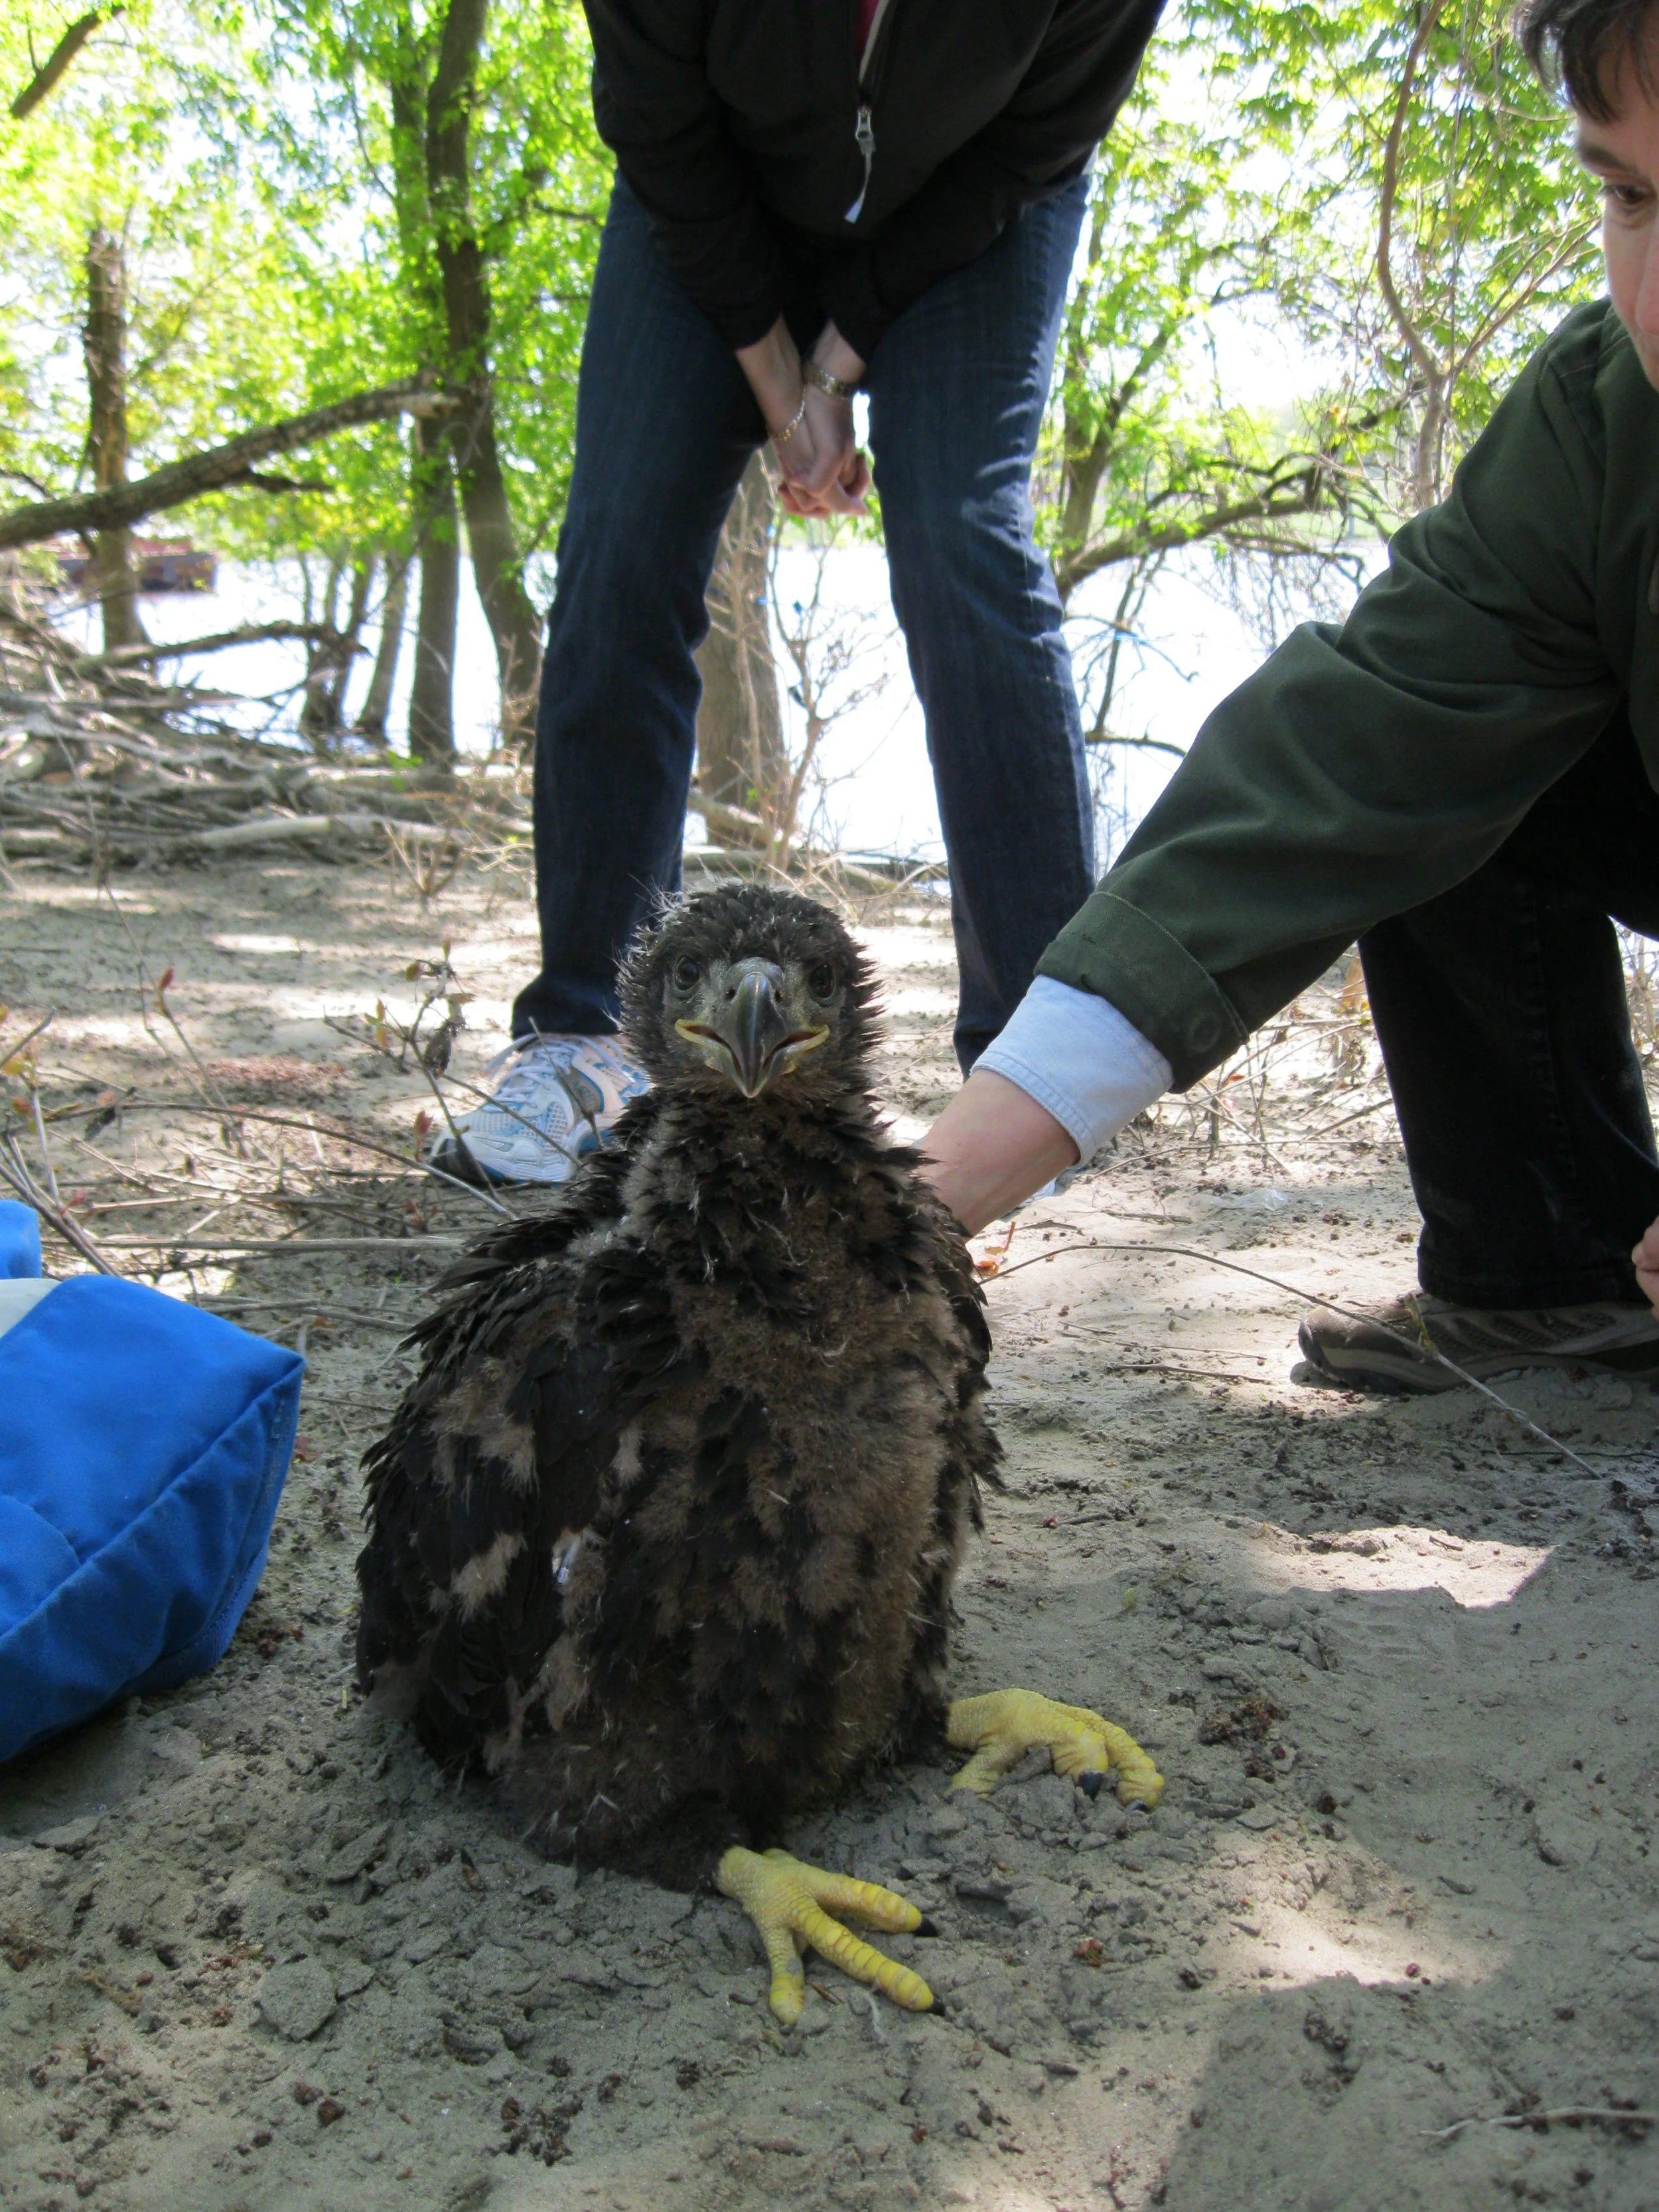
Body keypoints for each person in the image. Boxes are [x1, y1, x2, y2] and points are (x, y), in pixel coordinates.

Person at [917, 0, 1659, 1395]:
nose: (1654, 305)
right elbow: (1347, 747)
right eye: (1626, 194)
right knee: (1427, 750)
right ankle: (1547, 1268)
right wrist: (910, 1201)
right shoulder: (1604, 415)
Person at [434, 0, 1165, 1186]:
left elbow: (1038, 140)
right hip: (714, 195)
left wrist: (837, 357)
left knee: (964, 545)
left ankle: (1042, 1054)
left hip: (978, 207)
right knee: (620, 543)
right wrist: (783, 385)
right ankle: (584, 1040)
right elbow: (655, 122)